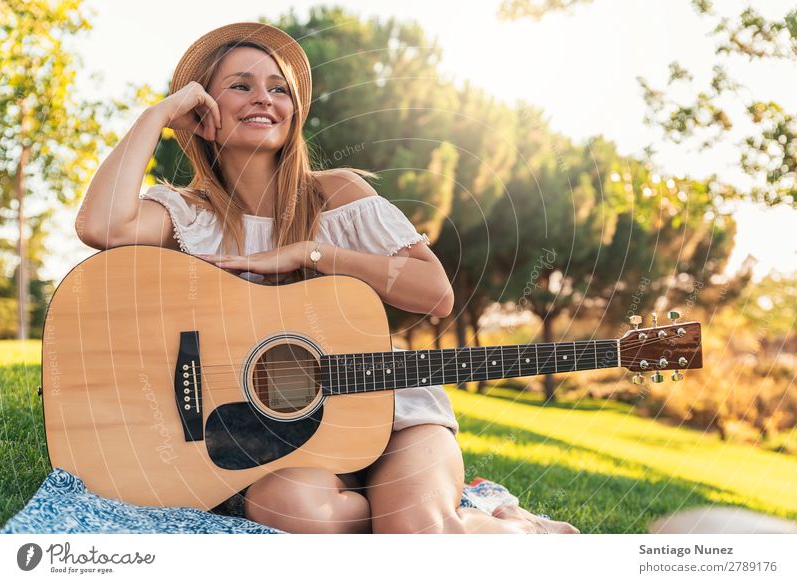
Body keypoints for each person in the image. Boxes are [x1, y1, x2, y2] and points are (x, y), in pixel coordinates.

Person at [76, 22, 579, 535]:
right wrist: (158, 114)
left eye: (278, 88)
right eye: (240, 85)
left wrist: (314, 253)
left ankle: (519, 530)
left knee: (418, 533)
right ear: (202, 107)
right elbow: (99, 226)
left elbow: (436, 295)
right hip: (282, 433)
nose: (264, 99)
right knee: (290, 512)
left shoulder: (338, 193)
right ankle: (456, 516)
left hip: (389, 405)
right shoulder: (188, 215)